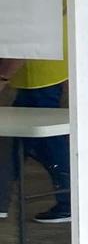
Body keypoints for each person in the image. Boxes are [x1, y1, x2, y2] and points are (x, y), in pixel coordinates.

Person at [0, 22, 71, 223]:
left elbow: (25, 42)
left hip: (37, 75)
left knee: (48, 142)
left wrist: (3, 77)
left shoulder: (28, 1)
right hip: (41, 72)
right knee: (16, 143)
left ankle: (70, 202)